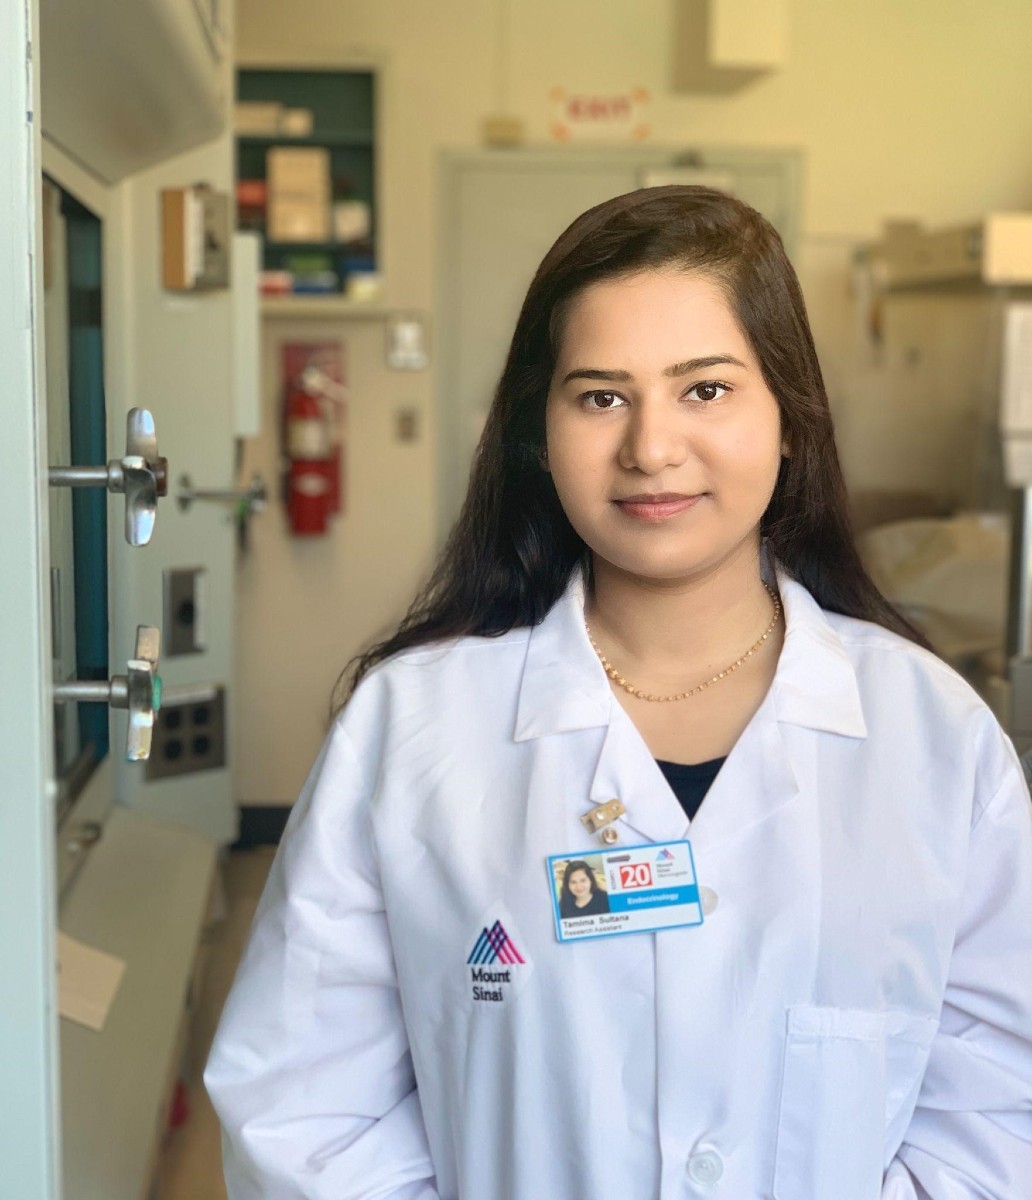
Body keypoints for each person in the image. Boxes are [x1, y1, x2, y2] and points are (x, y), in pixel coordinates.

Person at [204, 186, 1032, 1199]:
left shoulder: (934, 740)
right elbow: (303, 1112)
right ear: (538, 432)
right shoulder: (411, 729)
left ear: (790, 418)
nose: (650, 447)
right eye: (600, 395)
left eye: (706, 389)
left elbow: (997, 1114)